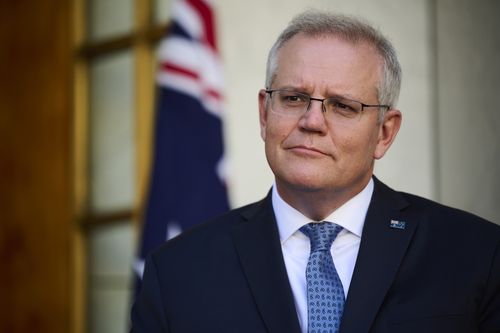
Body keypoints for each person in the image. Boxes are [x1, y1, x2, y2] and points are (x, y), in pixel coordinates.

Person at [130, 10, 500, 333]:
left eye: (342, 106)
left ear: (384, 133)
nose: (312, 121)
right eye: (293, 98)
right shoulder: (177, 272)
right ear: (264, 114)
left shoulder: (476, 255)